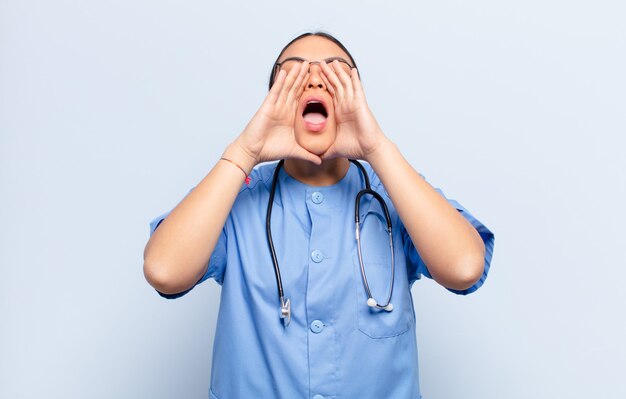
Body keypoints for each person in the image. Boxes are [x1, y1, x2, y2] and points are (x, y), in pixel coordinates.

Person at [143, 32, 495, 399]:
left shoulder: (396, 195)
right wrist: (244, 151)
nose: (314, 79)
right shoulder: (235, 196)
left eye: (335, 74)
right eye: (293, 74)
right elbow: (165, 271)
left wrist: (376, 148)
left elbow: (464, 267)